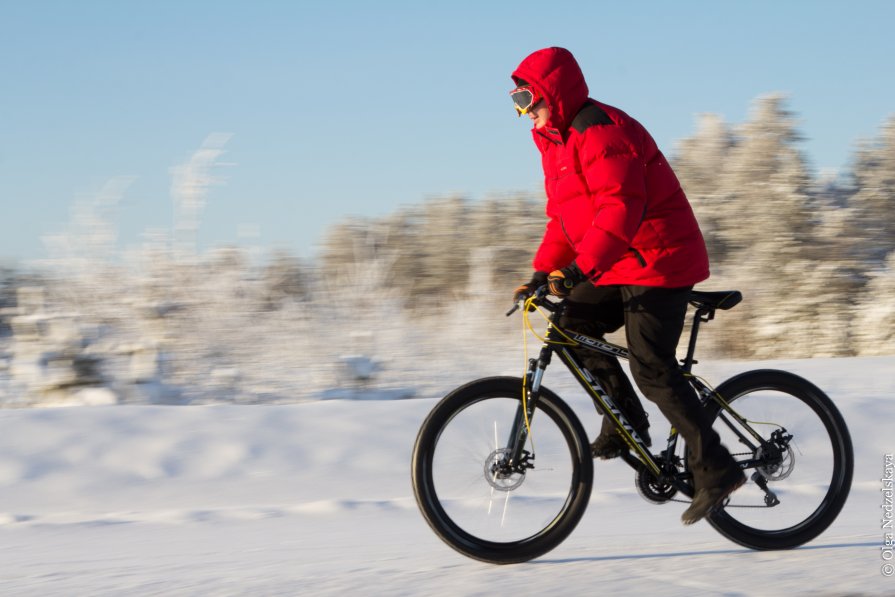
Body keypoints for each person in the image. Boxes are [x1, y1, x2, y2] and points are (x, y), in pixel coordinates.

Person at [509, 47, 745, 525]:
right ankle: (627, 421)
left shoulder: (599, 131)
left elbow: (622, 207)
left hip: (661, 259)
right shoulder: (557, 145)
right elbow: (565, 221)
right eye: (515, 101)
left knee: (652, 366)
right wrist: (543, 272)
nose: (523, 110)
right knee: (570, 326)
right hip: (621, 262)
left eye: (527, 97)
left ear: (553, 92)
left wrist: (580, 269)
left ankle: (717, 470)